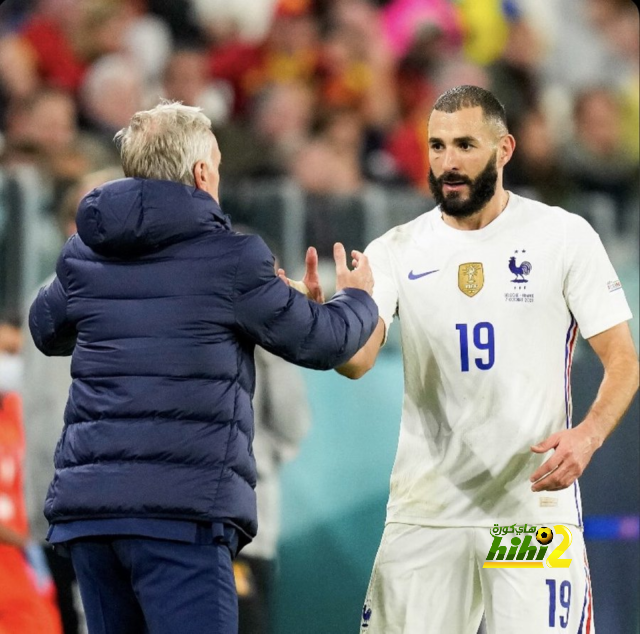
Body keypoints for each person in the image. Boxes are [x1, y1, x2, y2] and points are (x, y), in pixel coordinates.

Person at [28, 101, 378, 634]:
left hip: (92, 517)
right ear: (200, 173)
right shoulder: (232, 260)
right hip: (180, 516)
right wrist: (356, 300)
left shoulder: (83, 254)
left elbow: (44, 328)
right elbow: (323, 342)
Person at [336, 85, 638, 633]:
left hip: (528, 515)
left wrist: (588, 435)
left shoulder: (562, 237)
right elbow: (357, 360)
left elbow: (623, 358)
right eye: (436, 146)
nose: (447, 163)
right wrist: (329, 327)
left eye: (465, 145)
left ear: (504, 150)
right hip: (428, 514)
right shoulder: (397, 249)